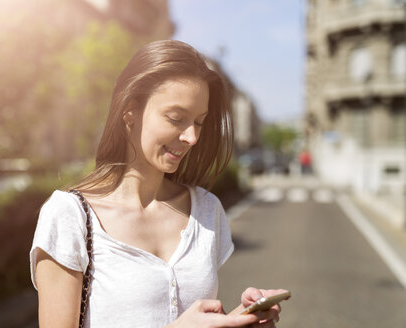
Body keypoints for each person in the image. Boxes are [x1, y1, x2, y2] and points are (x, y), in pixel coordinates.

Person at [30, 40, 289, 327]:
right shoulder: (70, 215)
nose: (192, 137)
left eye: (199, 122)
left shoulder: (205, 211)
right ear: (130, 113)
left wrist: (239, 319)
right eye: (176, 118)